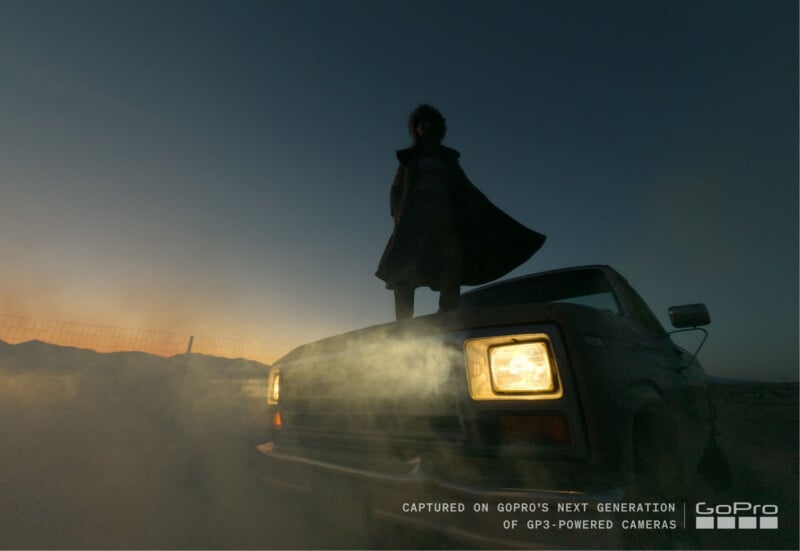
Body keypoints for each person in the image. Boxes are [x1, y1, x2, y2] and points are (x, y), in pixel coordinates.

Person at [376, 104, 546, 320]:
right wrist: (396, 211)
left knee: (452, 256)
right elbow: (396, 187)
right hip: (413, 214)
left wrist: (475, 206)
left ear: (436, 128)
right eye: (420, 125)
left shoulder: (448, 158)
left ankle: (448, 309)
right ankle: (403, 319)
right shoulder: (408, 158)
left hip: (443, 210)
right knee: (405, 263)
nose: (425, 128)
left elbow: (463, 183)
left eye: (429, 124)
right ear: (416, 129)